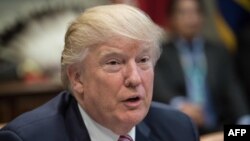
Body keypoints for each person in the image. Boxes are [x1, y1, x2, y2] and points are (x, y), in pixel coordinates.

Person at [0, 4, 199, 141]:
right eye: (113, 63)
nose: (135, 78)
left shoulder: (179, 129)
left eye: (143, 60)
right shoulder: (27, 138)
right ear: (77, 78)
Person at [153, 0, 250, 135]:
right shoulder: (161, 53)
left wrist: (245, 120)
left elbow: (233, 89)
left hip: (218, 129)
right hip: (177, 129)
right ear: (172, 18)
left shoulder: (219, 51)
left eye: (195, 12)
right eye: (184, 13)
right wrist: (180, 105)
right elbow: (159, 89)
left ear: (203, 17)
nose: (191, 18)